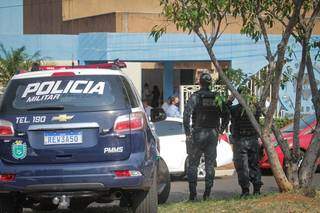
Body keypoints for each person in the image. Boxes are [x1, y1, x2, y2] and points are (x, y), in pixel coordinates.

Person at [183, 73, 229, 201]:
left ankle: (193, 196)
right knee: (209, 164)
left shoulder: (195, 97)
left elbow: (186, 115)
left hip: (198, 134)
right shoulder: (217, 98)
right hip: (212, 134)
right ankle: (207, 194)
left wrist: (187, 133)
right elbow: (226, 115)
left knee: (193, 164)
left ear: (200, 83)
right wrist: (220, 131)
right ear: (210, 84)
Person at [227, 88, 263, 197]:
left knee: (242, 166)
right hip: (253, 141)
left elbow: (225, 107)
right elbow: (259, 108)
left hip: (240, 141)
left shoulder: (235, 109)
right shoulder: (255, 110)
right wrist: (253, 99)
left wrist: (232, 96)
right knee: (254, 165)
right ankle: (257, 190)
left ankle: (245, 191)